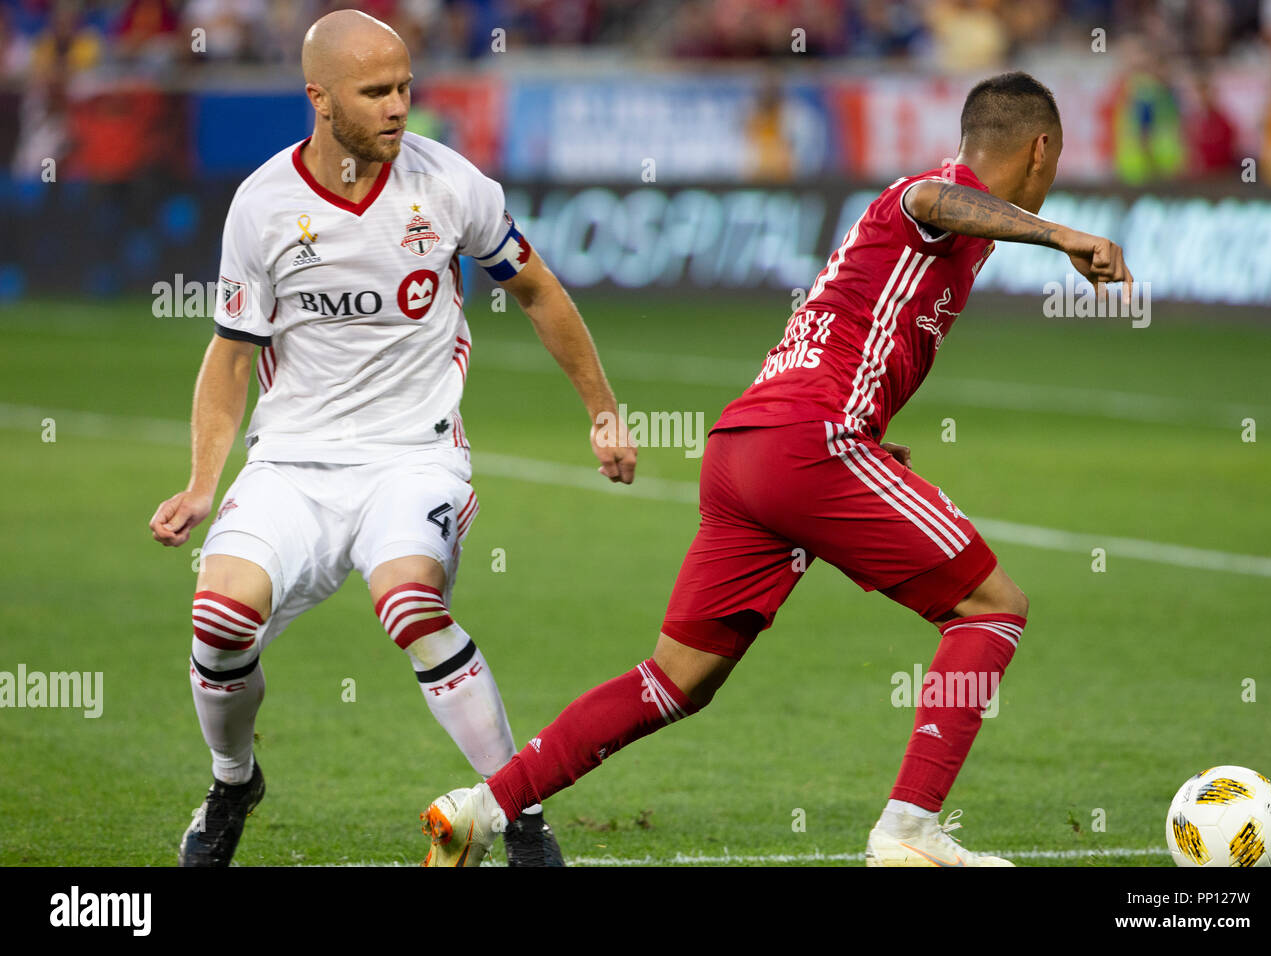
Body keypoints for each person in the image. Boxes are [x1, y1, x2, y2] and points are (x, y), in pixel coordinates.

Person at [421, 71, 1133, 868]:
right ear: (1043, 151)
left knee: (676, 679)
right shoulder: (935, 196)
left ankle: (482, 807)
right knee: (991, 607)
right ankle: (909, 829)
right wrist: (1062, 234)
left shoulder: (941, 223)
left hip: (745, 450)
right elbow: (931, 200)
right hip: (811, 443)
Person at [148, 8, 636, 868]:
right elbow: (231, 356)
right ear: (319, 97)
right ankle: (233, 783)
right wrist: (201, 481)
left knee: (410, 602)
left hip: (416, 456)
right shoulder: (262, 206)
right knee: (219, 624)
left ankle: (519, 815)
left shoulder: (450, 185)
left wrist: (602, 410)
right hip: (292, 463)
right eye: (376, 91)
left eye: (407, 86)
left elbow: (540, 292)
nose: (399, 105)